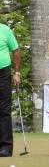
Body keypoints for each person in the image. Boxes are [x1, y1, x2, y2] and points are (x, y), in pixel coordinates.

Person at [0, 23, 21, 157]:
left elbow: (16, 50)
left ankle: (6, 147)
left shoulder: (5, 29)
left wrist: (17, 73)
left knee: (4, 110)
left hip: (3, 73)